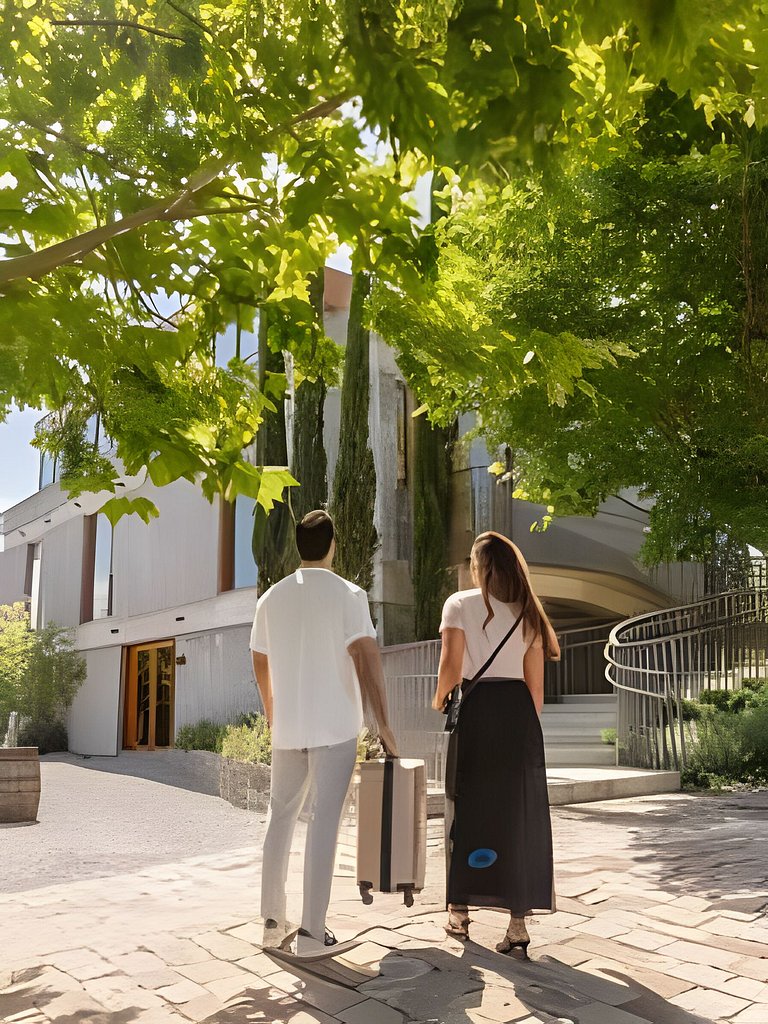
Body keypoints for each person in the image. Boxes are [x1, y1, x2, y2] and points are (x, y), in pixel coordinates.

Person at [250, 509, 398, 957]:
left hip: (289, 725)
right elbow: (366, 659)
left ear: (300, 546)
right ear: (333, 544)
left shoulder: (270, 599)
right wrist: (385, 726)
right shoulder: (349, 594)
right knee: (324, 822)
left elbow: (259, 659)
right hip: (334, 724)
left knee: (281, 817)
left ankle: (273, 920)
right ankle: (314, 933)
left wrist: (272, 710)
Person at [432, 531, 560, 958]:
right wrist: (518, 730)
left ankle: (460, 912)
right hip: (519, 718)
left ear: (479, 567)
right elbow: (536, 690)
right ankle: (517, 925)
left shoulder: (459, 603)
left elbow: (451, 667)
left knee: (466, 810)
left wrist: (438, 702)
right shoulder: (529, 612)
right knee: (515, 819)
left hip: (478, 709)